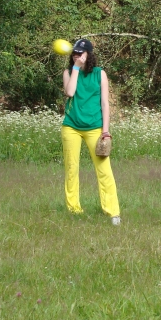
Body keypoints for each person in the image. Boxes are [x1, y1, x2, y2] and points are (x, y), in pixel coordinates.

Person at [61, 38, 121, 226]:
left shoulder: (99, 74)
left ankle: (112, 212)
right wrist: (76, 68)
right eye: (74, 53)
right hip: (71, 126)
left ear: (89, 54)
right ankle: (74, 209)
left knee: (104, 169)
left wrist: (105, 130)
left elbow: (105, 103)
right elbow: (70, 92)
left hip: (95, 127)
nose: (76, 56)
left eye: (80, 53)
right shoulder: (68, 72)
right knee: (71, 168)